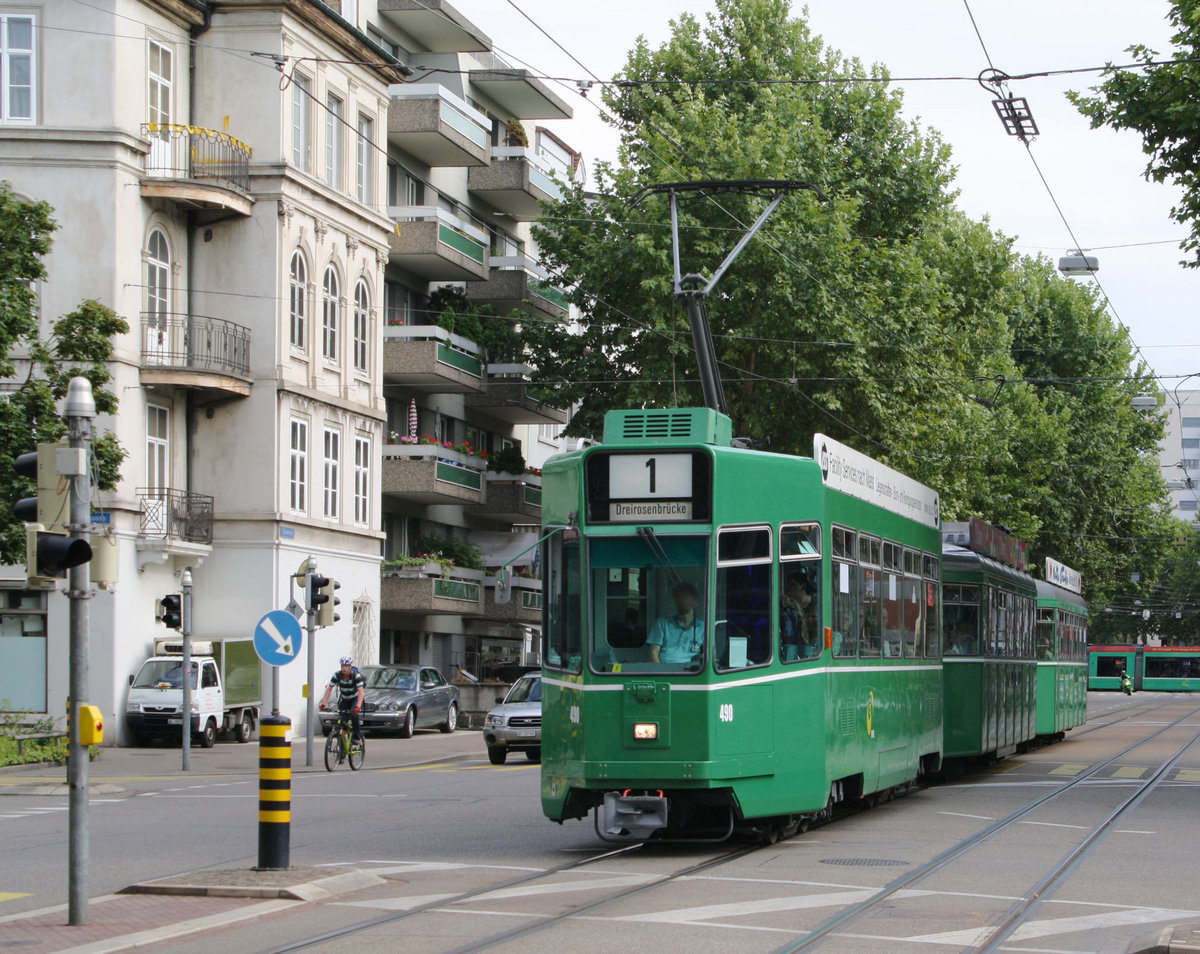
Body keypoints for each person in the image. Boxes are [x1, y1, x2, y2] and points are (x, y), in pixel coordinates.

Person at [647, 581, 704, 666]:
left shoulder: (704, 628)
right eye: (678, 598)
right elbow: (653, 653)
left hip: (693, 672)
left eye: (685, 597)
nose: (681, 601)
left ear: (695, 601)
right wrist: (660, 671)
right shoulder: (662, 624)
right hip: (665, 671)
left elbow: (711, 656)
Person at [319, 655, 365, 742]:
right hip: (344, 699)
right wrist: (323, 703)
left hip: (354, 699)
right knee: (343, 721)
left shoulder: (356, 676)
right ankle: (343, 742)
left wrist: (358, 706)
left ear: (350, 666)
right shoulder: (337, 675)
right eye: (343, 666)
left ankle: (356, 736)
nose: (344, 668)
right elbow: (329, 689)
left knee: (354, 715)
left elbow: (361, 692)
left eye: (346, 666)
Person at [781, 575, 818, 660]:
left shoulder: (816, 602)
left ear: (803, 585)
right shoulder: (790, 606)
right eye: (788, 585)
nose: (790, 588)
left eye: (793, 584)